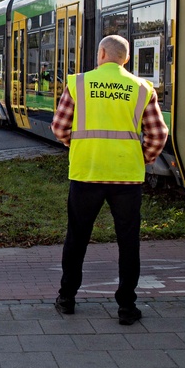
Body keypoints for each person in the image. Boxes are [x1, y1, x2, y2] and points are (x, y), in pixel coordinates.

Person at [51, 35, 168, 326]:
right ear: (125, 59)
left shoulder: (78, 83)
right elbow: (158, 134)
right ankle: (127, 308)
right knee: (128, 242)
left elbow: (59, 127)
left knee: (77, 238)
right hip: (126, 178)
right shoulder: (142, 88)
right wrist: (141, 158)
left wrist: (79, 145)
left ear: (101, 53)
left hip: (86, 173)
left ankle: (67, 299)